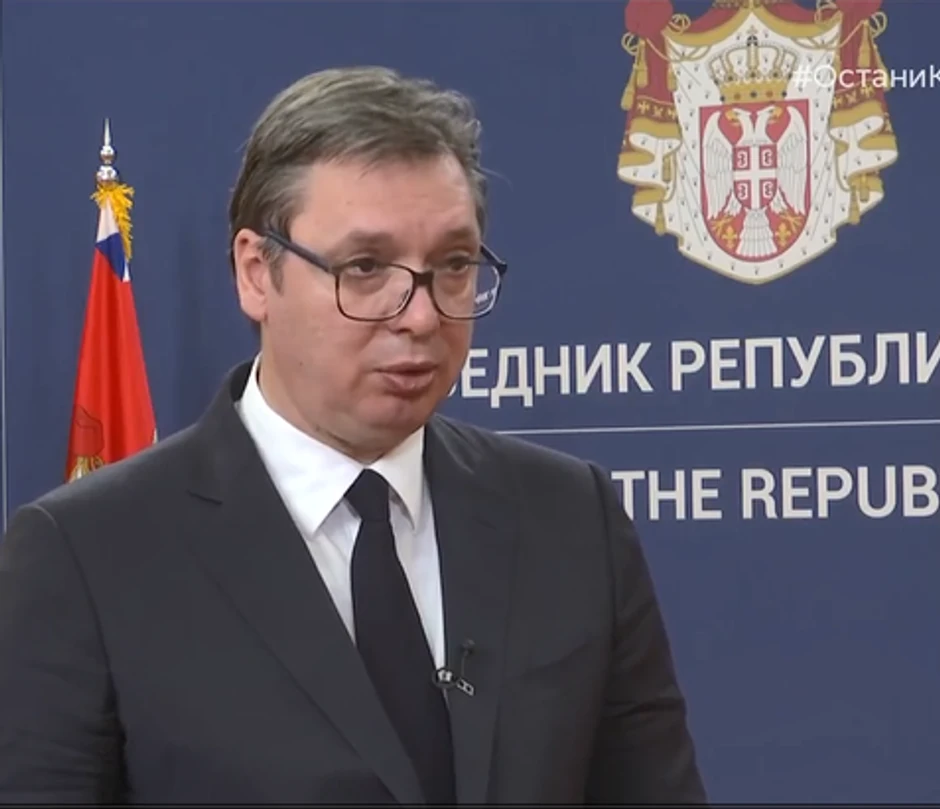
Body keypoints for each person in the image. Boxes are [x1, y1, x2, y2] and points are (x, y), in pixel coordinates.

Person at [0, 66, 707, 804]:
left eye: (453, 265)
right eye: (366, 268)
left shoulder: (569, 517)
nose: (421, 316)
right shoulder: (88, 554)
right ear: (255, 273)